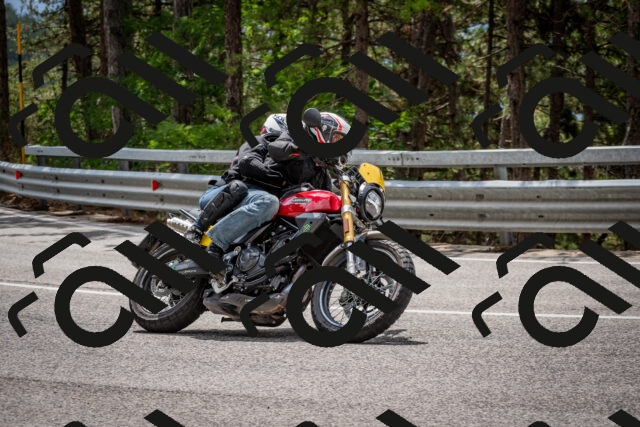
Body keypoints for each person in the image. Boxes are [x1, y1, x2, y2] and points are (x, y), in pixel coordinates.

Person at [183, 114, 289, 251]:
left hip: (249, 198)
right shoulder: (256, 142)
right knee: (239, 188)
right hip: (221, 195)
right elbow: (248, 165)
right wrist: (278, 179)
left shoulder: (286, 158)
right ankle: (198, 230)